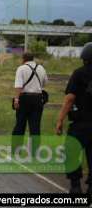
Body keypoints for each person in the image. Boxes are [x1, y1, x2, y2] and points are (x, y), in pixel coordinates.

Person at [56, 42, 92, 194]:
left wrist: (60, 119)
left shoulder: (79, 73)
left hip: (80, 124)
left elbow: (70, 98)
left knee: (71, 152)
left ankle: (76, 185)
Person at [12, 52, 47, 138]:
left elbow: (18, 86)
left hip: (24, 98)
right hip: (38, 98)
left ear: (23, 59)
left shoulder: (21, 68)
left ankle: (16, 149)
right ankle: (34, 150)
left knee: (20, 125)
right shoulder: (41, 68)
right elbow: (45, 82)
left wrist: (16, 99)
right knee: (35, 127)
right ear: (33, 58)